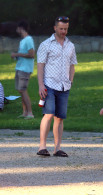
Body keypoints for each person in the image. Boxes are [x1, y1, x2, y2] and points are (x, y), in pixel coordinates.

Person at [36, 16, 77, 157]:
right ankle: (42, 147)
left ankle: (57, 148)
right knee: (49, 114)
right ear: (55, 28)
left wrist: (70, 81)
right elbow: (40, 66)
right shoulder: (46, 44)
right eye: (61, 28)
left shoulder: (70, 45)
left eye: (66, 29)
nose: (63, 31)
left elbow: (72, 65)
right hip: (49, 84)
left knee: (59, 117)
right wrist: (41, 85)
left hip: (64, 86)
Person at [11, 21, 35, 120]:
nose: (17, 30)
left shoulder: (29, 39)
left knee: (23, 90)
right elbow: (24, 54)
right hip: (19, 67)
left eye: (18, 28)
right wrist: (16, 56)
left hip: (25, 69)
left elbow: (32, 54)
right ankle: (24, 112)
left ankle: (30, 113)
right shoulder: (22, 41)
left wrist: (17, 54)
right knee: (21, 91)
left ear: (21, 28)